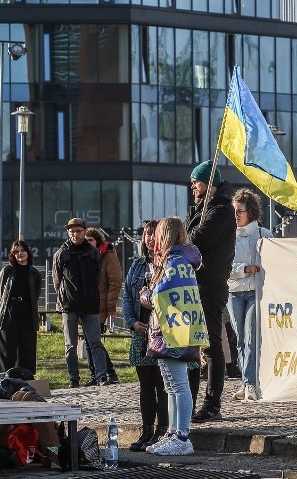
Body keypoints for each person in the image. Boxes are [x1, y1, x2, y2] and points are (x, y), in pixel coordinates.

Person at [141, 217, 206, 456]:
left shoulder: (175, 261)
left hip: (174, 331)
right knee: (171, 385)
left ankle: (182, 436)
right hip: (170, 330)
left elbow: (160, 295)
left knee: (178, 385)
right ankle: (172, 433)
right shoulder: (177, 260)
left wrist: (145, 295)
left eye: (157, 234)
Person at [184, 160, 236, 422]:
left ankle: (212, 403)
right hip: (193, 284)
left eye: (197, 181)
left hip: (211, 284)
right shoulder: (199, 209)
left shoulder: (223, 211)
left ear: (210, 183)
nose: (193, 185)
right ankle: (189, 401)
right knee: (194, 344)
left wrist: (183, 235)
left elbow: (195, 241)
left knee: (212, 344)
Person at [121, 220, 169, 451]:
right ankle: (147, 429)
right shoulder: (137, 265)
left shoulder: (170, 263)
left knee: (163, 384)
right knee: (145, 385)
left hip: (162, 333)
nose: (150, 239)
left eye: (154, 234)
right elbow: (127, 297)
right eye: (147, 234)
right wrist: (131, 323)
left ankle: (163, 430)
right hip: (141, 332)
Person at [52, 217, 109, 388]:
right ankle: (73, 378)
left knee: (95, 342)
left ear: (84, 232)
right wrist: (66, 295)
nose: (75, 234)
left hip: (90, 304)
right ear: (68, 233)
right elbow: (57, 279)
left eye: (78, 231)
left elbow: (98, 277)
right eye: (72, 231)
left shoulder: (93, 253)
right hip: (69, 305)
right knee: (71, 344)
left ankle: (101, 376)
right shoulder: (61, 253)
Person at [227, 188, 272, 403]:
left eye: (239, 211)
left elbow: (275, 264)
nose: (235, 216)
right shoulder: (227, 237)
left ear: (250, 212)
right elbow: (225, 267)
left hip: (256, 292)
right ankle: (246, 381)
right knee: (240, 341)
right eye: (233, 211)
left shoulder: (265, 235)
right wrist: (245, 269)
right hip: (234, 293)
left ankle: (251, 384)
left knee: (251, 337)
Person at [0, 240, 43, 374]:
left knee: (27, 348)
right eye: (16, 252)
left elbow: (36, 293)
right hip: (9, 311)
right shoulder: (7, 271)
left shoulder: (35, 273)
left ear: (28, 252)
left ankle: (25, 378)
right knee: (7, 347)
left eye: (22, 251)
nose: (20, 254)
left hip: (27, 312)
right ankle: (3, 378)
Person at [82, 227, 121, 386]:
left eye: (90, 239)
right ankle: (99, 373)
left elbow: (115, 282)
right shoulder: (84, 255)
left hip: (100, 305)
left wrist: (110, 306)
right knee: (91, 341)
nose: (88, 243)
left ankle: (106, 373)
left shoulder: (108, 256)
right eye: (86, 240)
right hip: (87, 304)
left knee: (94, 341)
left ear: (97, 241)